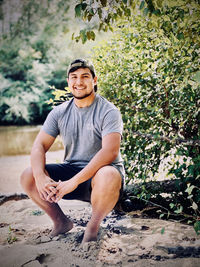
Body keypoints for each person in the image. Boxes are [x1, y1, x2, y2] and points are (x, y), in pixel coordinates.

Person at [20, 58, 125, 243]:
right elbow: (38, 146)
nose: (79, 82)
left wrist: (73, 182)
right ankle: (61, 222)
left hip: (102, 178)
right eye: (74, 77)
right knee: (28, 174)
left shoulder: (109, 111)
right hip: (71, 172)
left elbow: (110, 152)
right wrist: (40, 176)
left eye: (85, 76)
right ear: (68, 82)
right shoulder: (59, 112)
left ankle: (92, 229)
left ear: (95, 80)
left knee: (108, 174)